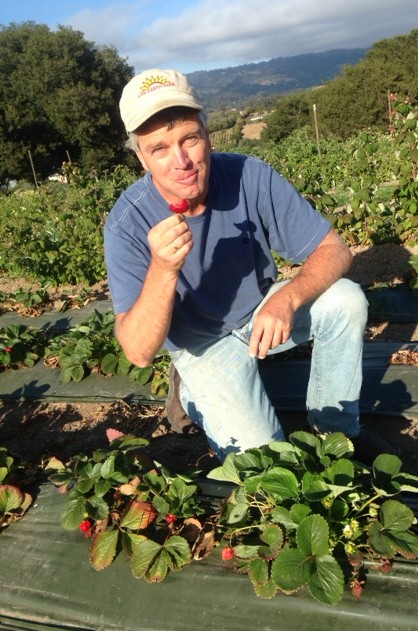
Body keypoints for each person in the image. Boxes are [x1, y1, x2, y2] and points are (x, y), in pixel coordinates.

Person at [104, 68, 395, 464]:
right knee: (266, 463)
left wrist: (288, 298)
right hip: (200, 343)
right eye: (159, 149)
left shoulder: (249, 177)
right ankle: (190, 388)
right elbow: (138, 351)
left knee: (346, 301)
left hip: (260, 310)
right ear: (141, 157)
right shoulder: (128, 223)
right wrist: (163, 268)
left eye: (190, 138)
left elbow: (336, 250)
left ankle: (337, 432)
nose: (182, 161)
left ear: (207, 134)